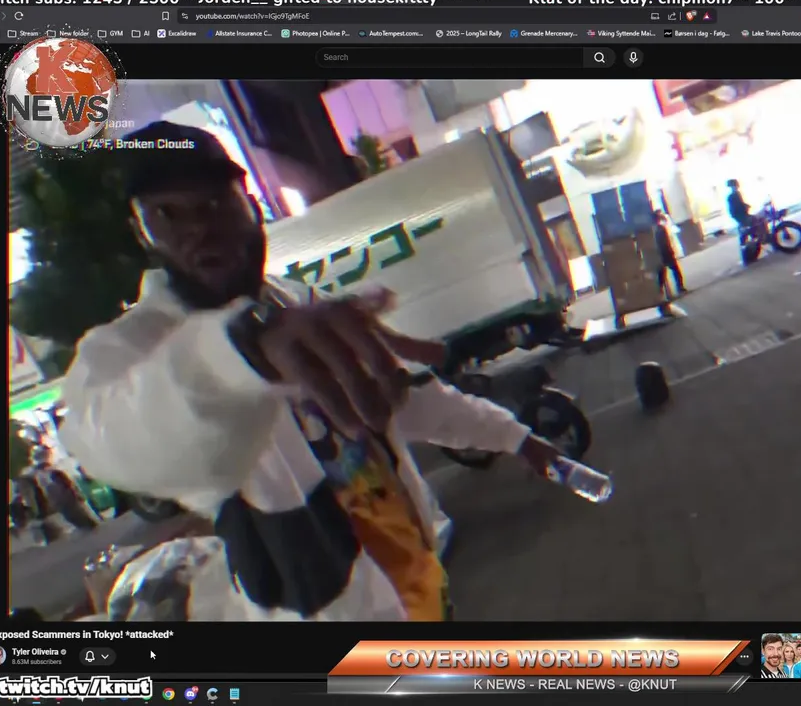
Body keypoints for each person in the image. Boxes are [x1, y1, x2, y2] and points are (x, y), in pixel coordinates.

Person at [59, 122, 565, 622]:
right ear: (141, 233)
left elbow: (406, 397)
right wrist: (237, 357)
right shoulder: (135, 344)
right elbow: (106, 439)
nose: (198, 229)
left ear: (251, 206)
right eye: (166, 214)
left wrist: (515, 437)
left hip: (420, 583)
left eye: (215, 202)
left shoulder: (294, 300)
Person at [653, 211, 686, 298]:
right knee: (674, 271)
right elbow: (665, 242)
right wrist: (670, 251)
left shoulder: (655, 229)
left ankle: (660, 291)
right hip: (666, 253)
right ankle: (680, 287)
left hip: (661, 254)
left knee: (662, 273)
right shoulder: (661, 229)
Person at [726, 179, 753, 258]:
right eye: (734, 186)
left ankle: (748, 249)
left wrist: (746, 206)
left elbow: (740, 204)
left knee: (749, 228)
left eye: (735, 185)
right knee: (746, 231)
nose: (735, 187)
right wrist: (745, 207)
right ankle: (746, 252)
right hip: (740, 216)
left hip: (741, 215)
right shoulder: (732, 196)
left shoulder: (736, 194)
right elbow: (736, 207)